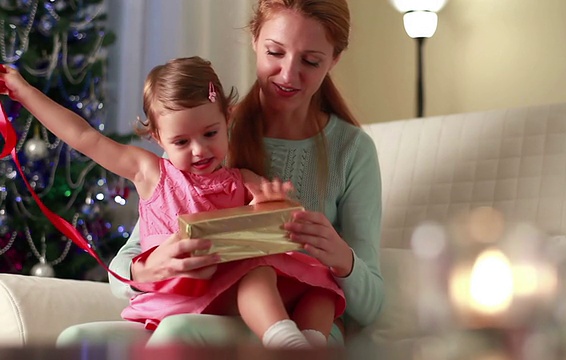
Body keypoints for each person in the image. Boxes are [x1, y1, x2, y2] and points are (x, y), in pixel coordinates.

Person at [57, 0, 384, 348]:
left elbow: (372, 305)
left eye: (311, 61)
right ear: (255, 40)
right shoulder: (209, 132)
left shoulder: (351, 150)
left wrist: (342, 259)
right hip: (205, 307)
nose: (288, 74)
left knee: (178, 334)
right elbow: (133, 252)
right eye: (275, 52)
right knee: (76, 341)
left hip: (300, 324)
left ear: (333, 59)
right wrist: (145, 270)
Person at [0, 56, 346, 349]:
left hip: (235, 298)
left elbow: (284, 223)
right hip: (186, 295)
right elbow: (84, 137)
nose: (199, 150)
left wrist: (272, 204)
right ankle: (286, 342)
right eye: (181, 141)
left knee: (319, 286)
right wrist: (25, 93)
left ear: (227, 119)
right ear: (157, 137)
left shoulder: (241, 179)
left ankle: (307, 345)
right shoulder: (150, 172)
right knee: (258, 274)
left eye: (210, 134)